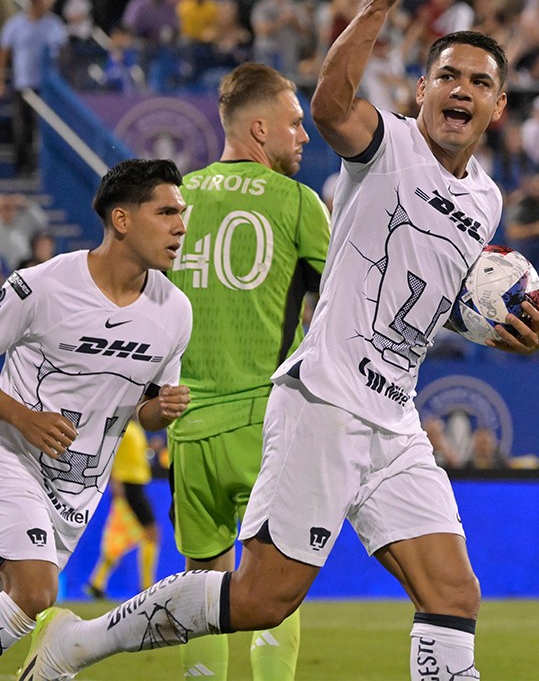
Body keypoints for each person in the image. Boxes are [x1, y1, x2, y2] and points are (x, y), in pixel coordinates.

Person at [19, 0, 539, 681]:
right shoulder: (390, 145)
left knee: (453, 592)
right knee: (263, 597)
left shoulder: (487, 201)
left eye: (478, 82)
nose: (460, 89)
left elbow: (441, 298)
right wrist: (376, 4)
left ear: (497, 107)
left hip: (395, 417)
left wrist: (512, 330)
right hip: (326, 400)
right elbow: (332, 105)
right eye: (447, 76)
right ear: (423, 90)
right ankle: (80, 643)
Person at [166, 62, 331, 681]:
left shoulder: (173, 200)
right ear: (259, 130)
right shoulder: (297, 202)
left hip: (189, 427)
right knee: (273, 584)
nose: (304, 135)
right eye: (294, 123)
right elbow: (349, 300)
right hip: (268, 423)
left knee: (199, 584)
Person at [0, 158, 191, 660]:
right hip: (12, 458)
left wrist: (162, 409)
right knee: (35, 591)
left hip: (77, 490)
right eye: (166, 212)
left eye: (182, 213)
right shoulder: (41, 286)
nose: (180, 226)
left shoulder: (175, 311)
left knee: (18, 599)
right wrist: (24, 417)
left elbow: (144, 410)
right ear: (122, 219)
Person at [84, 418, 160, 599]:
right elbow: (109, 454)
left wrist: (151, 448)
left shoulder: (135, 428)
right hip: (129, 487)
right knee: (150, 534)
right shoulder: (123, 427)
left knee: (120, 536)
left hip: (135, 486)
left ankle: (97, 583)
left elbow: (136, 455)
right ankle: (146, 585)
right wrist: (115, 482)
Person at [0, 0, 68, 177]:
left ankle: (48, 168)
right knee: (22, 127)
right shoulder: (15, 24)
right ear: (34, 1)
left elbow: (63, 51)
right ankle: (23, 167)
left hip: (47, 86)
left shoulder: (53, 24)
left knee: (47, 128)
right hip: (23, 84)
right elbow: (4, 52)